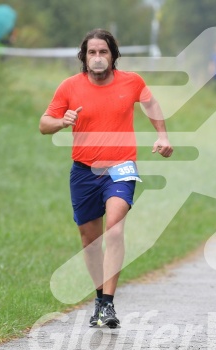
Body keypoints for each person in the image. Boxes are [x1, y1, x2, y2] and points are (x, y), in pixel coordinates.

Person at [39, 29, 173, 328]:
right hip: (84, 171)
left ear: (113, 56)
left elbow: (150, 104)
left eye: (103, 52)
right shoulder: (69, 86)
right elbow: (43, 124)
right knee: (90, 240)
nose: (98, 57)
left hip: (120, 168)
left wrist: (162, 135)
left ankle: (108, 304)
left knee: (114, 229)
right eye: (92, 52)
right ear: (84, 58)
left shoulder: (132, 81)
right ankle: (99, 298)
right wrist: (62, 121)